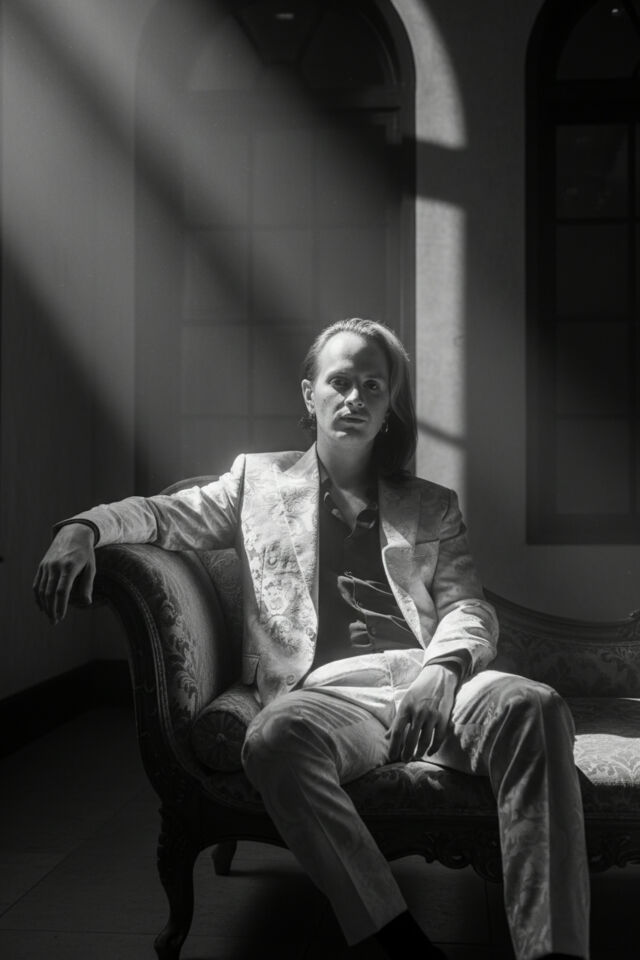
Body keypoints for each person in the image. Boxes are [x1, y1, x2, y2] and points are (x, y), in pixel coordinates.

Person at [34, 318, 589, 960]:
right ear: (310, 393)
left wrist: (444, 670)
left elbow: (468, 607)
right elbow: (159, 516)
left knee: (534, 705)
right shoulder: (256, 484)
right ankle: (394, 942)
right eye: (340, 382)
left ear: (389, 404)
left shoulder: (432, 504)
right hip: (327, 697)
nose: (355, 398)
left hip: (432, 683)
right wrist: (82, 528)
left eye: (373, 386)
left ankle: (553, 954)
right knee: (271, 740)